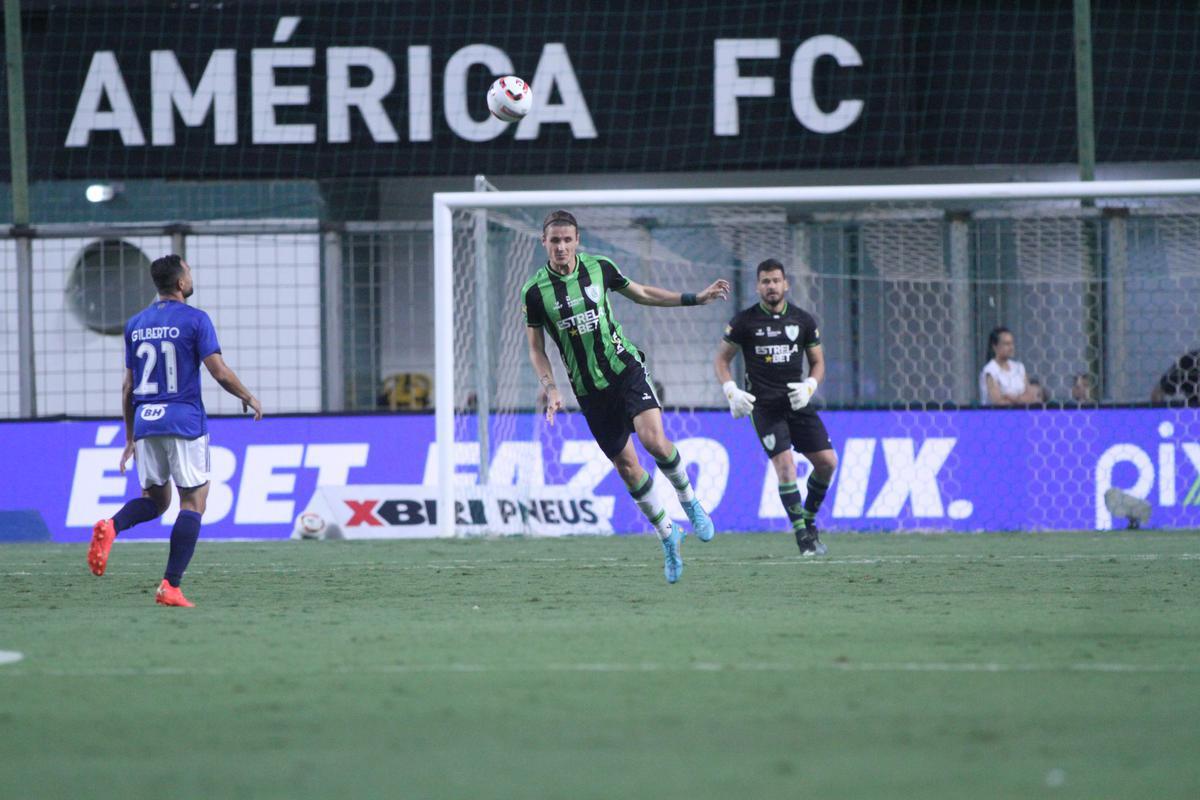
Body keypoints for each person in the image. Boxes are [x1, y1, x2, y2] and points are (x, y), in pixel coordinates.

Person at [522, 210, 729, 584]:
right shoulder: (535, 292)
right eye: (555, 240)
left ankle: (689, 501)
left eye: (568, 240)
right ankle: (668, 534)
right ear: (544, 243)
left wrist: (694, 298)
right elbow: (535, 348)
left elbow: (644, 293)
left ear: (577, 240)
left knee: (653, 440)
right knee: (628, 468)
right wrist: (551, 387)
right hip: (588, 390)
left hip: (624, 368)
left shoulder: (600, 267)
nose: (562, 247)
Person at [87, 255, 262, 606]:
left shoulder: (135, 324)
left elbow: (127, 387)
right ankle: (171, 584)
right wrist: (248, 396)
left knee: (156, 501)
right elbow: (220, 371)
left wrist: (129, 437)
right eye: (190, 272)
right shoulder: (196, 320)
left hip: (147, 421)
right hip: (184, 421)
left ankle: (112, 525)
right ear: (181, 283)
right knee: (193, 502)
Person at [714, 258, 838, 556]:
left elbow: (818, 362)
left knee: (828, 463)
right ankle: (802, 538)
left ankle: (808, 519)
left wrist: (810, 386)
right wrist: (731, 390)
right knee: (786, 468)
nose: (771, 286)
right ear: (758, 286)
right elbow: (721, 360)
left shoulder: (803, 320)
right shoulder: (744, 321)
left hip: (797, 402)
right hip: (765, 408)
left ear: (786, 284)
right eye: (765, 281)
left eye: (776, 280)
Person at [978, 327, 1040, 406]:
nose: (1011, 347)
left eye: (1012, 343)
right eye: (1006, 344)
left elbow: (1030, 397)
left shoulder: (1019, 367)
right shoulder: (990, 371)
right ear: (995, 347)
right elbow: (998, 402)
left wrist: (1011, 398)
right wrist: (1020, 399)